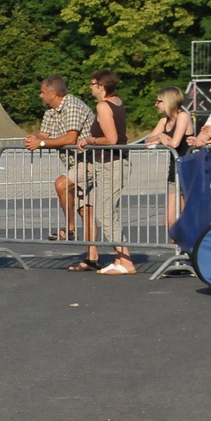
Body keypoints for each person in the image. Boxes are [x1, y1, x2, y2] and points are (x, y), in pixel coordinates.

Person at [23, 75, 94, 244]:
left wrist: (40, 143)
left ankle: (70, 229)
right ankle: (92, 254)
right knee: (85, 211)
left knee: (61, 184)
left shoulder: (72, 106)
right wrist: (33, 139)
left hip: (90, 160)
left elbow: (71, 138)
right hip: (73, 163)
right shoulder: (51, 112)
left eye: (42, 92)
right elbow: (44, 135)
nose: (40, 95)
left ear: (53, 93)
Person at [78, 69, 134, 275]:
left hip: (111, 163)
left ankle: (126, 261)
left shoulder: (103, 106)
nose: (90, 87)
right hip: (114, 162)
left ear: (101, 87)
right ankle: (120, 259)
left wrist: (89, 140)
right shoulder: (117, 102)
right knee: (110, 212)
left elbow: (111, 139)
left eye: (93, 84)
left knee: (104, 214)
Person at [142, 87, 193, 226]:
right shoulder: (164, 121)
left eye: (159, 101)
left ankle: (190, 240)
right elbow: (147, 141)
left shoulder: (183, 116)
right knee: (170, 221)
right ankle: (181, 241)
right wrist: (160, 136)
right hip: (173, 172)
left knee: (180, 219)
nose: (156, 104)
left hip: (187, 171)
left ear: (168, 101)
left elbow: (175, 143)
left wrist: (161, 139)